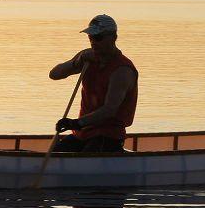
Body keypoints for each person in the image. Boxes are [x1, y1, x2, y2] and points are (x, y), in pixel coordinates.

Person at [48, 15, 138, 153]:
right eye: (90, 37)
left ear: (113, 37)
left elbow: (109, 110)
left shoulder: (122, 70)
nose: (93, 42)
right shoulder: (87, 58)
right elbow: (54, 74)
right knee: (56, 154)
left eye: (98, 38)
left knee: (84, 160)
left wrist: (76, 123)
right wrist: (77, 62)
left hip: (108, 135)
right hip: (82, 134)